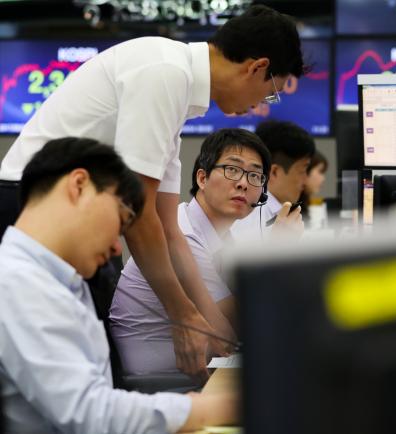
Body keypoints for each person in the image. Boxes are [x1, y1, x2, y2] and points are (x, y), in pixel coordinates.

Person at [0, 4, 307, 380]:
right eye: (271, 92)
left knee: (96, 372)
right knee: (81, 377)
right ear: (257, 67)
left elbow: (167, 227)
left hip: (71, 217)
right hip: (33, 210)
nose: (261, 105)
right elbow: (139, 213)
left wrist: (213, 329)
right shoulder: (165, 73)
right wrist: (182, 315)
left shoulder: (176, 87)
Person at [0, 137, 237, 434]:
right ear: (79, 185)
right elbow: (88, 413)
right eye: (121, 220)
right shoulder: (18, 282)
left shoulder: (57, 281)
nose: (116, 247)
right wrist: (210, 408)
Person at [111, 128, 278, 375]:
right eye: (232, 170)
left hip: (186, 366)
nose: (243, 183)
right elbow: (230, 328)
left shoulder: (217, 235)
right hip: (155, 379)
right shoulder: (184, 234)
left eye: (255, 175)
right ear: (202, 178)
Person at [230, 120, 315, 240]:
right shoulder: (248, 220)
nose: (306, 180)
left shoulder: (280, 214)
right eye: (302, 170)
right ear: (274, 172)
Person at [298, 149, 329, 228]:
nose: (323, 179)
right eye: (320, 172)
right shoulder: (291, 205)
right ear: (305, 171)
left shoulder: (302, 204)